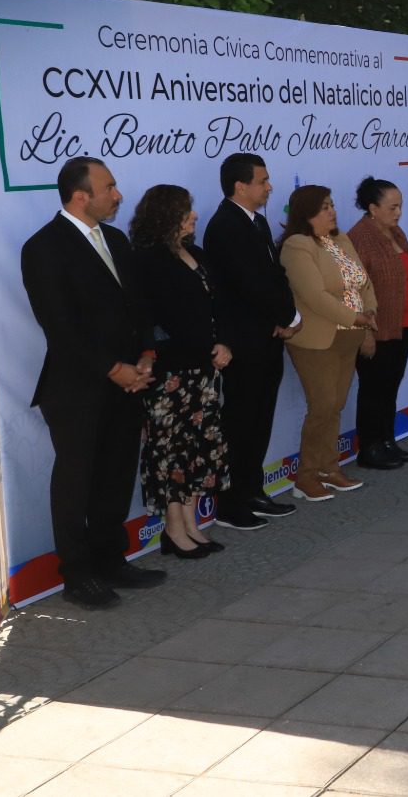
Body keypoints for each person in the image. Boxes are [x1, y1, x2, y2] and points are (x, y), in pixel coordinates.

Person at [21, 158, 164, 608]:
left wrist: (144, 355)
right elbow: (60, 327)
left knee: (116, 474)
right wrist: (112, 368)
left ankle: (110, 560)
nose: (118, 195)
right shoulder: (43, 247)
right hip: (76, 387)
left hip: (128, 380)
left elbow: (138, 306)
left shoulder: (117, 240)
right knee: (76, 481)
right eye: (110, 187)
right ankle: (77, 575)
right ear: (81, 196)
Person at [129, 184, 231, 559]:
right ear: (168, 214)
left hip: (203, 371)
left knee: (197, 449)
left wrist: (224, 344)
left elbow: (216, 307)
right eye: (187, 210)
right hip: (170, 373)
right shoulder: (147, 260)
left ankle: (191, 523)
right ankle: (173, 530)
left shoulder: (195, 253)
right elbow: (151, 322)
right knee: (169, 451)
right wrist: (197, 349)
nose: (195, 216)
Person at [204, 152, 300, 532]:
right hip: (242, 343)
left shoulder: (256, 222)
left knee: (260, 419)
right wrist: (286, 317)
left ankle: (252, 489)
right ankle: (229, 503)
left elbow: (275, 277)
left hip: (266, 338)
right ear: (240, 186)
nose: (269, 186)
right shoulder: (225, 225)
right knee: (240, 422)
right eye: (262, 180)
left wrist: (286, 317)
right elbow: (250, 284)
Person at [280, 186, 378, 501]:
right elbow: (315, 297)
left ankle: (329, 468)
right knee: (321, 406)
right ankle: (305, 477)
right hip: (317, 339)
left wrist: (370, 312)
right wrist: (357, 319)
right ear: (306, 214)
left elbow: (364, 282)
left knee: (335, 405)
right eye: (324, 207)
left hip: (348, 335)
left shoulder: (342, 240)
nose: (332, 211)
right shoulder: (297, 245)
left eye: (332, 204)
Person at [348, 176, 408, 470]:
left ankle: (387, 439)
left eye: (400, 206)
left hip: (402, 324)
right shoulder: (360, 237)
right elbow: (353, 290)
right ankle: (369, 448)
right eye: (392, 207)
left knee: (391, 384)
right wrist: (365, 330)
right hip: (376, 328)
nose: (398, 213)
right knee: (373, 388)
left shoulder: (396, 232)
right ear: (372, 208)